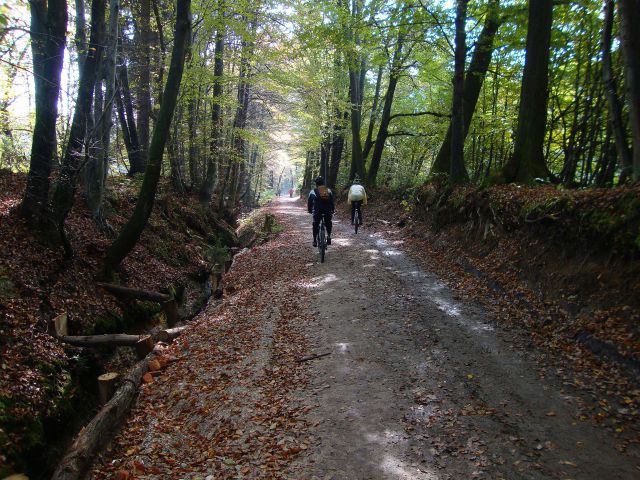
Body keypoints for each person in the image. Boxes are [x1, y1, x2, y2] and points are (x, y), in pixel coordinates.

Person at [307, 176, 334, 247]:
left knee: (315, 224)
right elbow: (332, 202)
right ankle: (328, 236)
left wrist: (309, 210)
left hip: (317, 210)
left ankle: (315, 240)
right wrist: (332, 210)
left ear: (316, 184)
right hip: (327, 210)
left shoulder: (313, 191)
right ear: (323, 183)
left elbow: (309, 202)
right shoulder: (328, 190)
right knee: (328, 222)